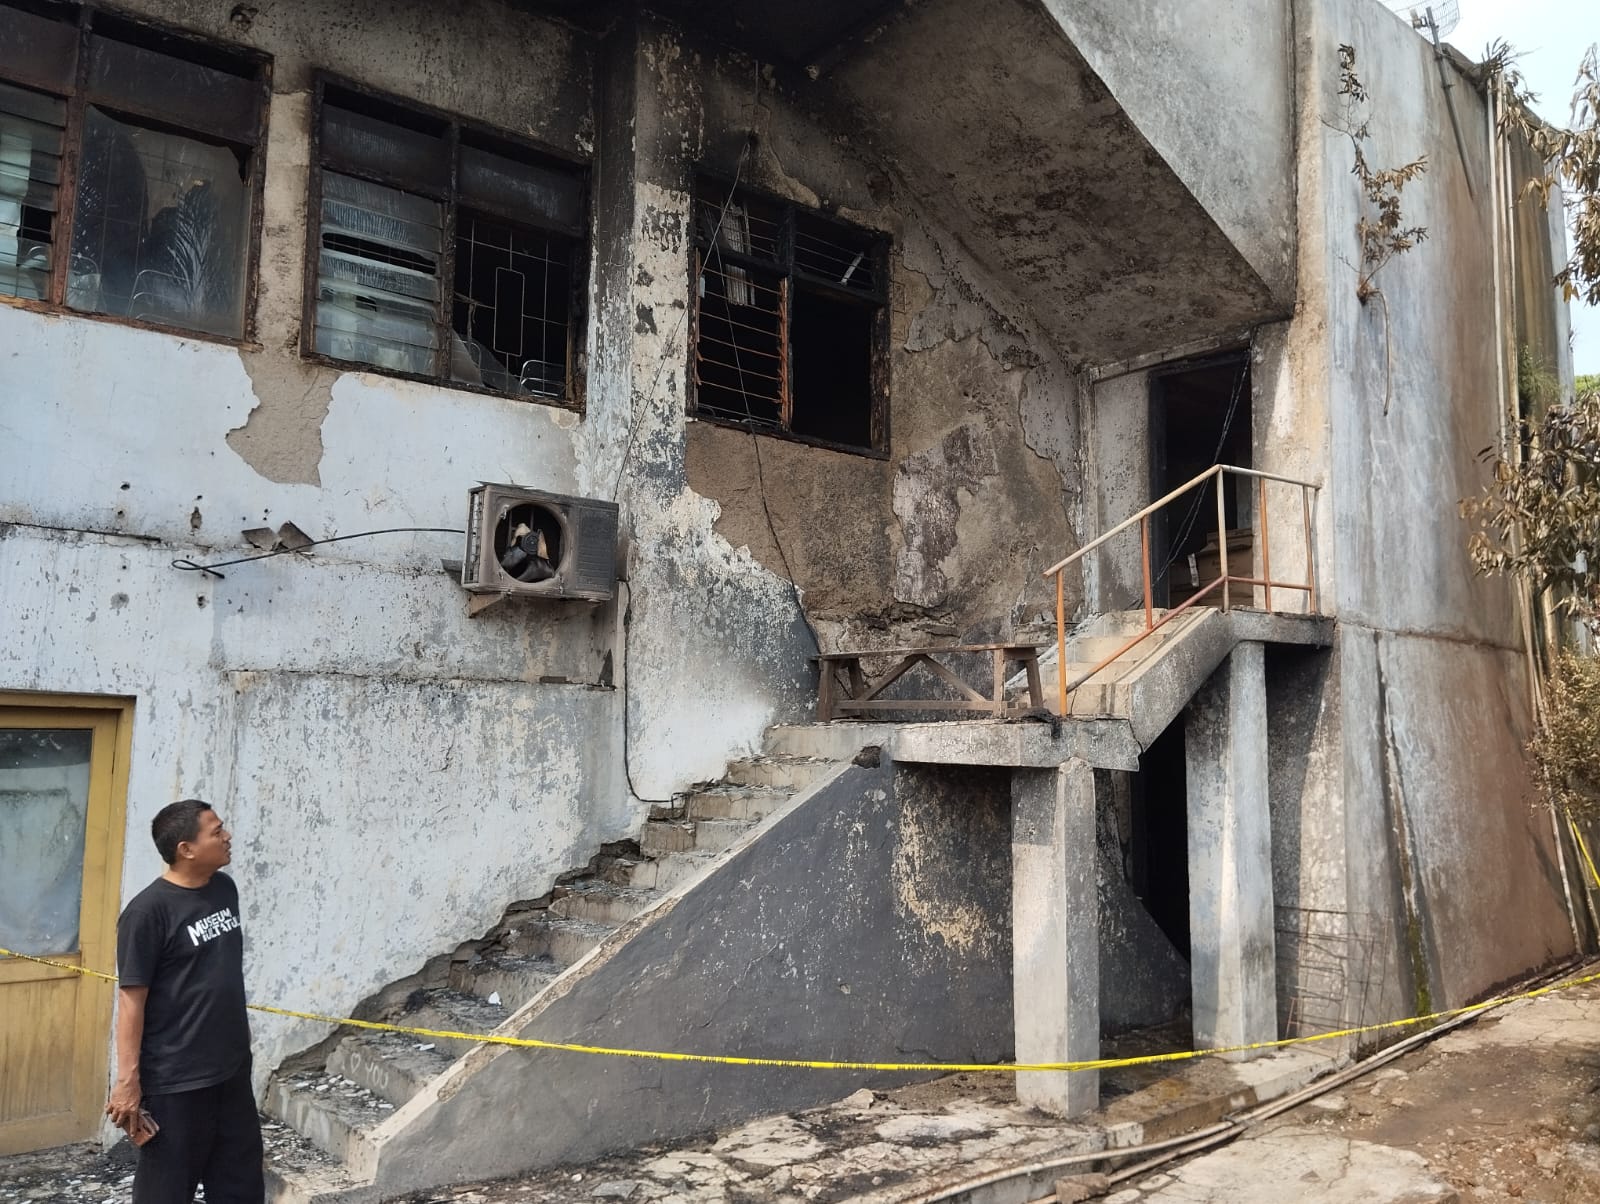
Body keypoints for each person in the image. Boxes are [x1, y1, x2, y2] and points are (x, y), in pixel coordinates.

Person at [105, 799, 263, 1204]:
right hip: (176, 1081)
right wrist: (128, 1084)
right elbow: (131, 1002)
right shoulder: (147, 913)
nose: (227, 836)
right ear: (186, 849)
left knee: (241, 1187)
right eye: (216, 831)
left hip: (230, 1071)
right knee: (166, 1192)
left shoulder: (224, 889)